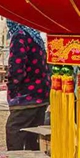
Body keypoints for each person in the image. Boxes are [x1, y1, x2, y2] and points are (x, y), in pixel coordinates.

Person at [4, 21, 51, 151]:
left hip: (26, 96)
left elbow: (16, 67)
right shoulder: (34, 35)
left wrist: (13, 89)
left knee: (15, 131)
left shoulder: (20, 36)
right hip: (41, 93)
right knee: (33, 135)